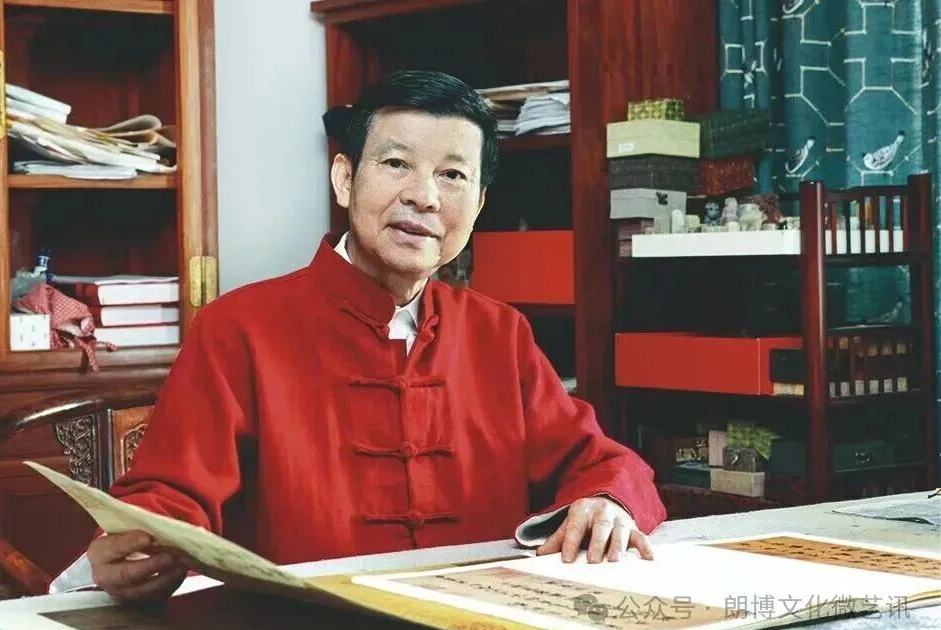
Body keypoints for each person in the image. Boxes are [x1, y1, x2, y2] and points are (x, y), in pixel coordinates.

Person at [58, 70, 666, 602]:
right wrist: (137, 543)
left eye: (453, 175)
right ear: (344, 178)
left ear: (479, 204)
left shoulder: (499, 332)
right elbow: (171, 495)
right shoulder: (237, 326)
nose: (424, 197)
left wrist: (606, 501)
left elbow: (603, 463)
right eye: (396, 164)